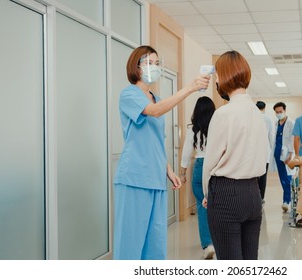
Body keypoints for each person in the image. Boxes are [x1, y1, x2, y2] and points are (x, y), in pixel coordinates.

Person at [113, 45, 210, 260]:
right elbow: (154, 112)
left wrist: (169, 171)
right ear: (136, 67)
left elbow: (157, 142)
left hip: (156, 178)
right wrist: (190, 88)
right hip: (134, 178)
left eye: (157, 64)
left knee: (155, 244)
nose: (154, 67)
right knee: (130, 242)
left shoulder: (156, 97)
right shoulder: (129, 94)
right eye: (149, 63)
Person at [202, 50, 268, 260]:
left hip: (226, 194)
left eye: (218, 75)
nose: (218, 80)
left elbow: (210, 162)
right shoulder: (258, 114)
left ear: (226, 76)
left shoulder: (223, 114)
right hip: (253, 194)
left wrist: (207, 194)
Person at [179, 96, 216, 259]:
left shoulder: (193, 129)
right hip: (215, 167)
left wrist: (182, 173)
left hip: (200, 166)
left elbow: (187, 152)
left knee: (202, 205)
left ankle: (207, 245)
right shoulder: (217, 126)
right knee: (216, 206)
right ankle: (218, 240)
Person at [272, 102, 295, 212]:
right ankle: (287, 200)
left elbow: (293, 139)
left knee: (287, 178)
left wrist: (291, 154)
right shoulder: (276, 123)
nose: (279, 114)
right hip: (277, 153)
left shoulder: (291, 123)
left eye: (280, 112)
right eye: (277, 112)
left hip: (287, 154)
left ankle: (287, 201)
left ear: (285, 111)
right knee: (282, 178)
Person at [256, 101, 274, 203]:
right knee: (263, 176)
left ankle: (255, 195)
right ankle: (261, 197)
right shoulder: (268, 119)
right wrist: (271, 149)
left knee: (254, 175)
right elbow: (271, 136)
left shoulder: (252, 118)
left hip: (254, 153)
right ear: (264, 108)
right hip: (265, 152)